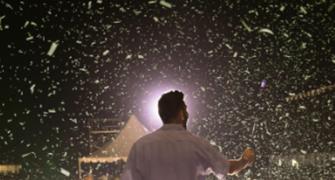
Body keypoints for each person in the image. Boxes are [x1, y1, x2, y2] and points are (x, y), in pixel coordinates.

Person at [121, 90, 255, 180]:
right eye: (185, 109)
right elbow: (228, 168)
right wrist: (245, 160)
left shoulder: (141, 146)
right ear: (181, 114)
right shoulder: (197, 144)